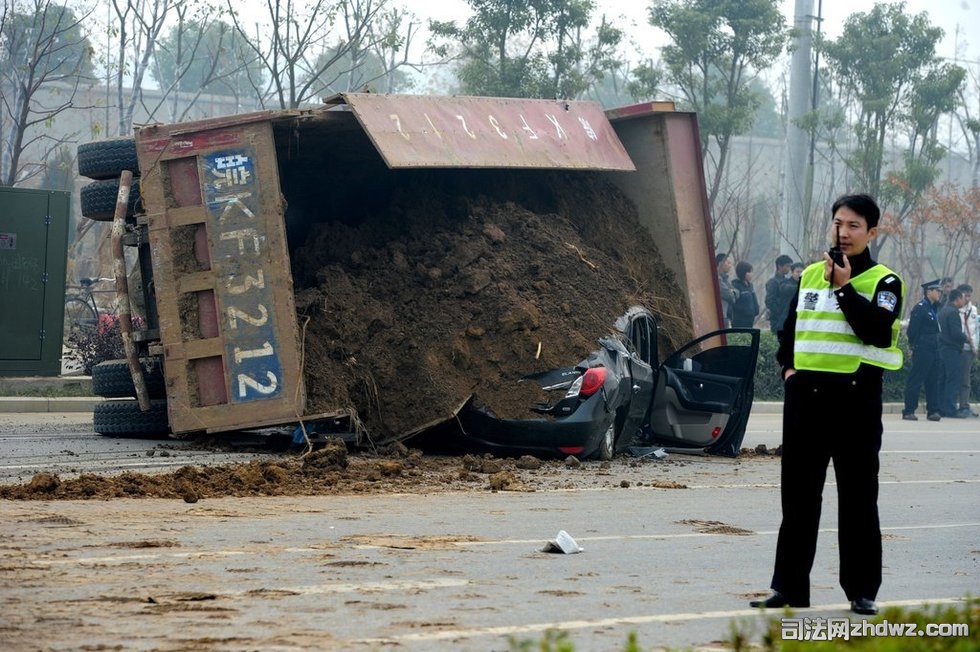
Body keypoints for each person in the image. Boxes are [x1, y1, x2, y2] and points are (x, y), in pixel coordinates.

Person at [750, 194, 903, 617]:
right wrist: (788, 369)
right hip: (807, 402)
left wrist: (844, 288)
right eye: (838, 223)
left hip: (856, 402)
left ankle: (861, 591)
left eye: (854, 225)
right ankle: (789, 587)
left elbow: (875, 330)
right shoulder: (812, 276)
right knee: (797, 498)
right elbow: (790, 329)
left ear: (871, 232)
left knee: (857, 498)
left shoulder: (885, 282)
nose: (844, 232)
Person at [902, 280, 944, 421]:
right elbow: (912, 331)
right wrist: (913, 347)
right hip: (922, 347)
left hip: (934, 347)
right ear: (929, 291)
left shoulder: (934, 308)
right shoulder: (920, 308)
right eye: (937, 291)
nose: (940, 293)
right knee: (916, 379)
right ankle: (909, 410)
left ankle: (933, 411)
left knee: (933, 379)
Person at [937, 287, 968, 418]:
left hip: (943, 349)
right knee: (953, 380)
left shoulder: (943, 310)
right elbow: (955, 333)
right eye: (963, 297)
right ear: (958, 299)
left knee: (943, 379)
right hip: (952, 349)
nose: (965, 300)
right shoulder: (953, 312)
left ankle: (941, 407)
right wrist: (966, 338)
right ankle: (950, 408)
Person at [956, 283, 978, 418]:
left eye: (970, 295)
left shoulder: (974, 310)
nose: (968, 298)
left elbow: (975, 329)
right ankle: (952, 404)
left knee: (965, 379)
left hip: (970, 349)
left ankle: (964, 405)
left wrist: (975, 346)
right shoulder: (954, 309)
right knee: (953, 378)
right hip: (957, 348)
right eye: (966, 295)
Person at [765, 254, 795, 336]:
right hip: (777, 319)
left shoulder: (787, 280)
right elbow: (769, 301)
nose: (789, 269)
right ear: (779, 266)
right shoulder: (773, 282)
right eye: (787, 266)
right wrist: (778, 312)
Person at [731, 261, 760, 327]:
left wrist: (755, 311)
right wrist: (744, 312)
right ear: (743, 272)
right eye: (749, 272)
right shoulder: (736, 285)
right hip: (740, 321)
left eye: (751, 272)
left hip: (750, 320)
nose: (751, 274)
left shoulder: (750, 285)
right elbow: (733, 303)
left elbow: (754, 300)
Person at [716, 252, 738, 328]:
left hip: (726, 315)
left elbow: (736, 292)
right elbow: (729, 295)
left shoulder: (725, 279)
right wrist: (732, 293)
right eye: (728, 263)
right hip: (720, 315)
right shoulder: (717, 279)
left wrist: (732, 292)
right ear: (720, 263)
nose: (730, 266)